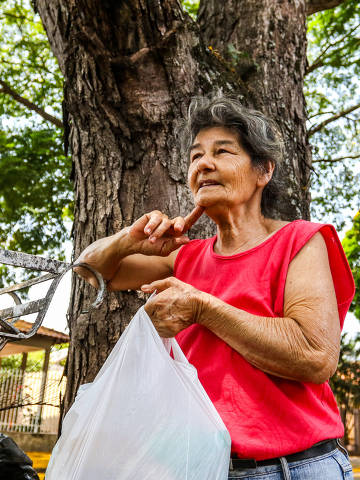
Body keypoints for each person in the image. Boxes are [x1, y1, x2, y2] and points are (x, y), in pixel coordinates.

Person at [75, 95, 355, 479]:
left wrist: (203, 308)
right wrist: (129, 239)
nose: (203, 164)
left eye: (222, 152)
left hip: (294, 469)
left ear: (263, 171)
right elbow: (90, 269)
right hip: (200, 469)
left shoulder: (301, 241)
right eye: (195, 156)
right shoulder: (185, 256)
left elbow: (313, 355)